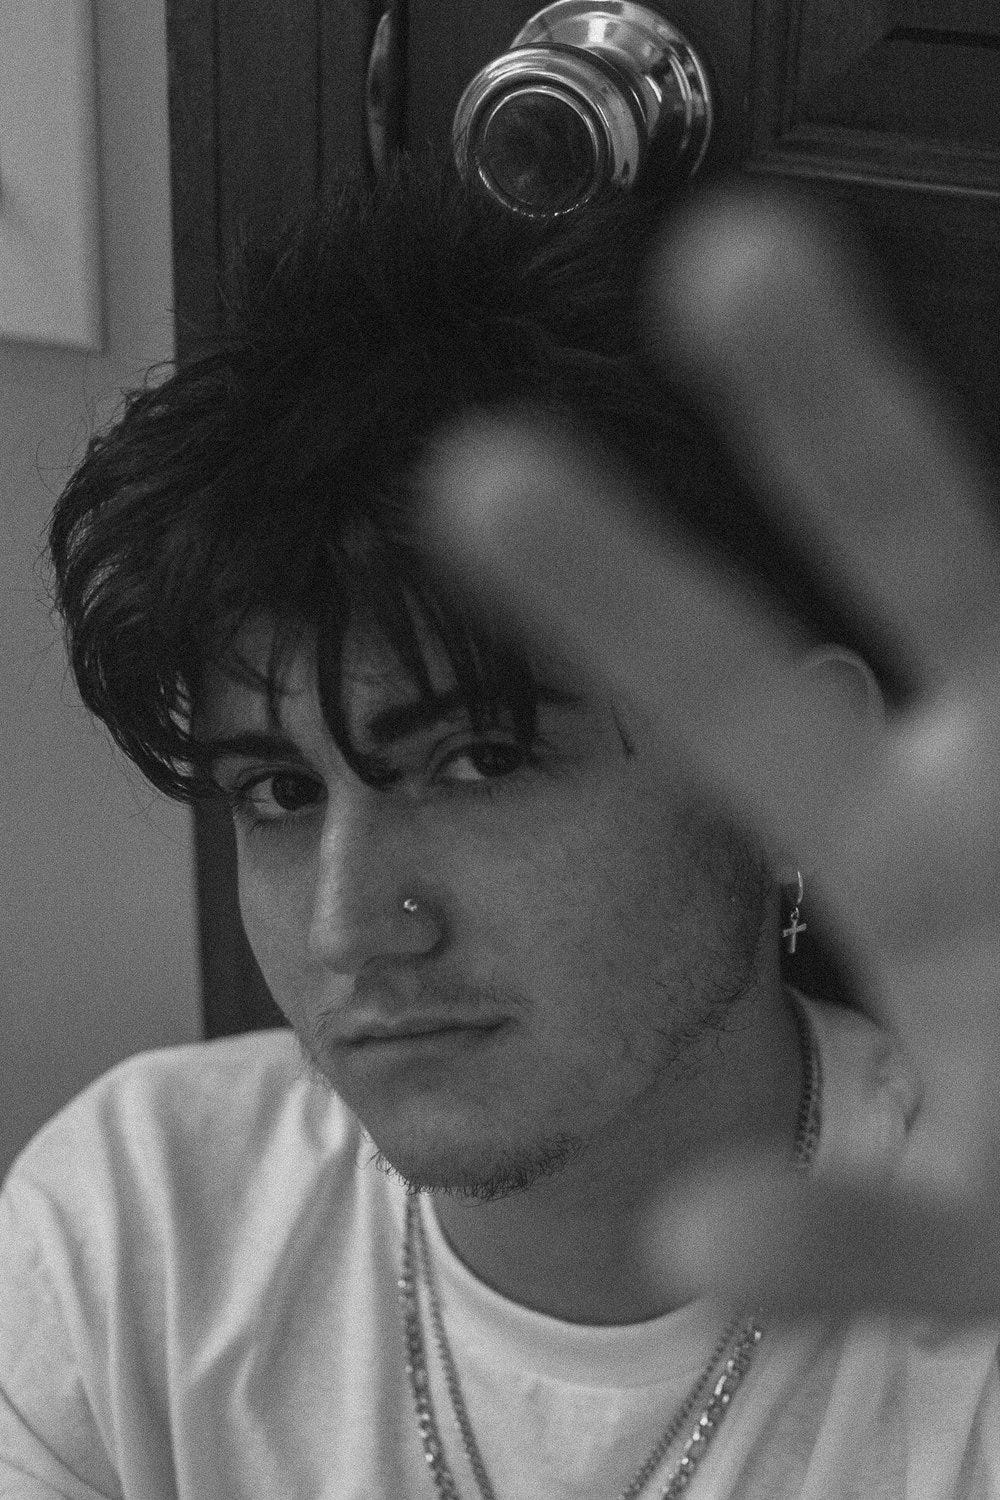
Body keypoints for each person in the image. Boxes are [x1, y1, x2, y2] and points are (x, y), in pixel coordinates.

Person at [2, 158, 999, 1498]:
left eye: (478, 761)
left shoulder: (965, 1276)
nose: (352, 926)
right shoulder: (136, 1236)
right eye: (279, 793)